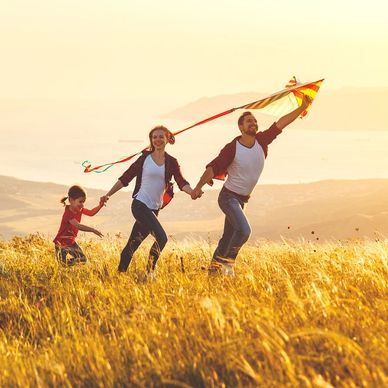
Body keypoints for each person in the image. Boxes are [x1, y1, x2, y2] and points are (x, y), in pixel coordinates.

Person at [191, 95, 313, 276]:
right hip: (228, 198)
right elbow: (213, 167)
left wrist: (301, 107)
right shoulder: (232, 147)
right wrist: (198, 187)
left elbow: (282, 123)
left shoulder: (262, 140)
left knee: (227, 239)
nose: (253, 123)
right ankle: (228, 264)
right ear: (241, 127)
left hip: (242, 201)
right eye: (249, 121)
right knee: (244, 231)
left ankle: (213, 273)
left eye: (255, 121)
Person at [100, 125, 197, 279]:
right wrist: (108, 194)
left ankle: (118, 275)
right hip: (139, 205)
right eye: (154, 137)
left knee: (133, 244)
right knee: (162, 238)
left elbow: (181, 182)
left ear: (167, 139)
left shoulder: (171, 162)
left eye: (160, 137)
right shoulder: (144, 159)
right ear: (151, 140)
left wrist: (192, 192)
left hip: (154, 209)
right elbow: (125, 178)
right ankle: (149, 272)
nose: (157, 140)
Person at [53, 185, 104, 265]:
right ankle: (64, 266)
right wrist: (93, 230)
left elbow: (91, 213)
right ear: (71, 200)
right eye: (80, 202)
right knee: (63, 264)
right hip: (61, 243)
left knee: (83, 259)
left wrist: (100, 205)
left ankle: (66, 267)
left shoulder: (79, 209)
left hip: (71, 242)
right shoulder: (68, 213)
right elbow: (78, 225)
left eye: (83, 202)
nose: (82, 204)